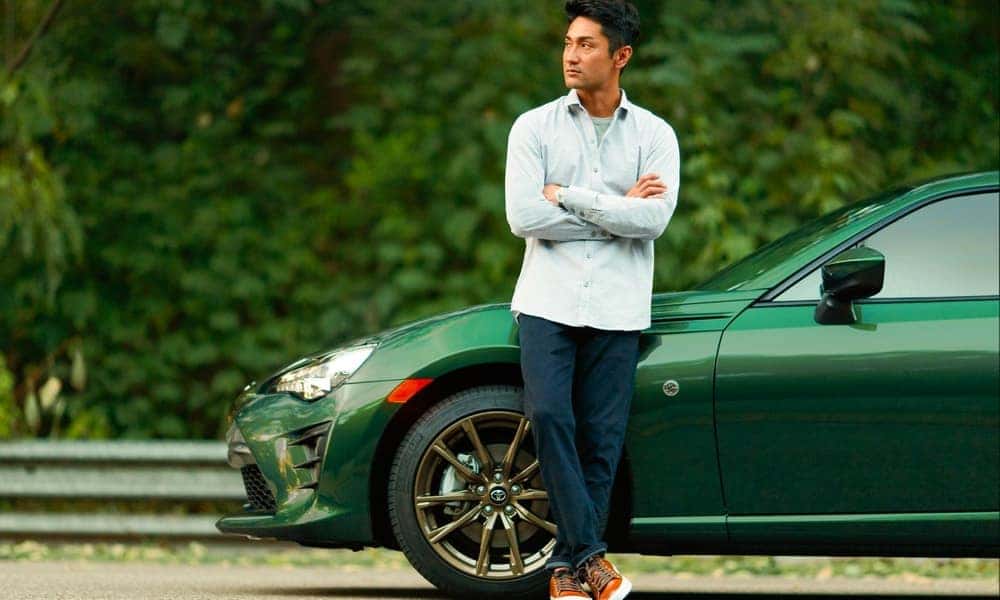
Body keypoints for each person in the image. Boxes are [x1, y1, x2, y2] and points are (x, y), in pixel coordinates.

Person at [504, 1, 679, 599]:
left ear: (620, 56)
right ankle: (592, 559)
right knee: (550, 416)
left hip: (617, 306)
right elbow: (523, 215)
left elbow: (653, 220)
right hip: (547, 302)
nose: (571, 56)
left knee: (601, 441)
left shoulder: (655, 135)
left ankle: (564, 572)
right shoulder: (534, 127)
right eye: (568, 43)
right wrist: (614, 210)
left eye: (586, 45)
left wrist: (569, 198)